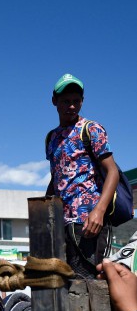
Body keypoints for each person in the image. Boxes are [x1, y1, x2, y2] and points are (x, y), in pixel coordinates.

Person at [46, 74, 119, 279]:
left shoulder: (91, 130)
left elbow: (111, 171)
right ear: (54, 101)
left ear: (82, 101)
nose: (71, 106)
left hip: (87, 222)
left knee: (87, 283)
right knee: (63, 285)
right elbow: (56, 178)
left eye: (76, 101)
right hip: (62, 224)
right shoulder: (51, 138)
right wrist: (45, 214)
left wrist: (99, 211)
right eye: (66, 101)